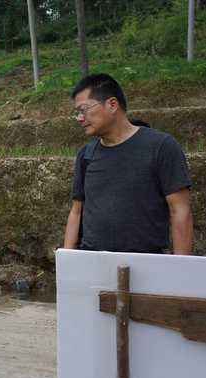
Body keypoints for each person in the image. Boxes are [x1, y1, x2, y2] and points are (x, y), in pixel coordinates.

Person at [63, 73, 193, 254]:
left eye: (83, 110)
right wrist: (68, 262)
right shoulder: (86, 155)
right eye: (77, 113)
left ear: (112, 105)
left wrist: (182, 269)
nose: (79, 118)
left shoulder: (160, 147)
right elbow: (76, 211)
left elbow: (180, 210)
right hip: (94, 263)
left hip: (146, 262)